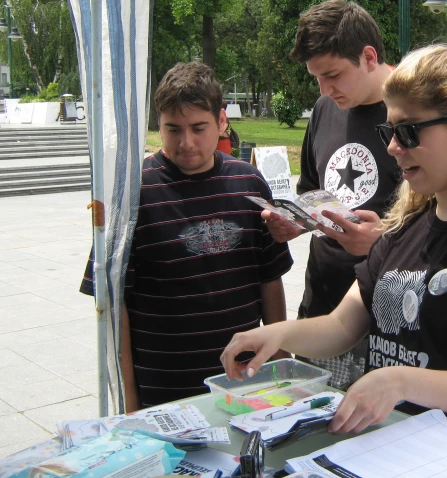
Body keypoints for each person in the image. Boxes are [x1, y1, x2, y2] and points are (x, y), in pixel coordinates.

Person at [222, 45, 447, 441]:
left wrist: (401, 382)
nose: (393, 147)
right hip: (389, 450)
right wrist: (277, 335)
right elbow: (341, 326)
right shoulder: (404, 228)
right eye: (389, 131)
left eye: (408, 131)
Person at [81, 62, 293, 411]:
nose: (187, 142)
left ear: (221, 120)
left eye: (199, 128)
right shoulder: (131, 193)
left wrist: (280, 363)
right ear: (158, 125)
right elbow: (112, 302)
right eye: (172, 129)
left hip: (243, 382)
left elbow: (270, 278)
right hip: (164, 391)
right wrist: (130, 402)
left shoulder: (250, 183)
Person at [260, 0, 402, 388]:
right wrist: (296, 222)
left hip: (387, 316)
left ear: (369, 57)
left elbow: (441, 218)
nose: (324, 89)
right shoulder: (325, 108)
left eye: (333, 75)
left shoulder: (412, 111)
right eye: (316, 77)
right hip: (322, 306)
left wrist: (381, 241)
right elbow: (313, 189)